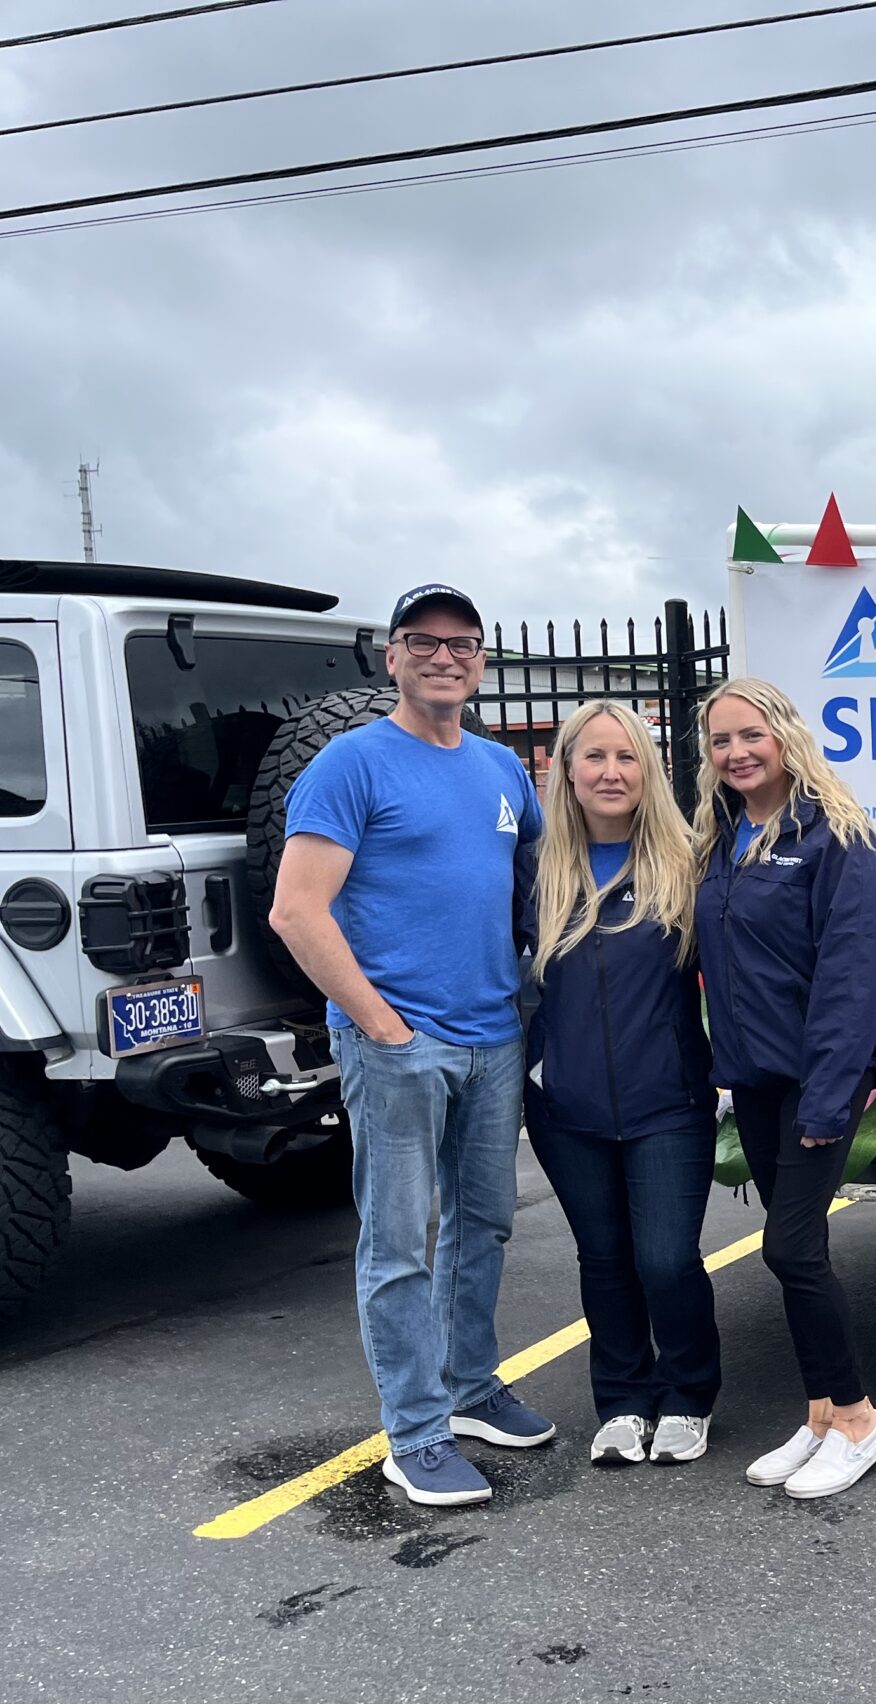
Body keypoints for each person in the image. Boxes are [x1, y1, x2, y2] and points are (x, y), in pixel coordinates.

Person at [270, 583, 555, 1509]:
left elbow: (537, 887)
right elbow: (296, 910)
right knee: (400, 1243)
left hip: (491, 1037)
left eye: (463, 643)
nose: (445, 656)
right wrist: (383, 1026)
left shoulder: (502, 770)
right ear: (390, 657)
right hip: (399, 1045)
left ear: (481, 661)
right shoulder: (349, 766)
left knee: (486, 1223)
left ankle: (470, 1390)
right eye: (423, 641)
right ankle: (415, 1434)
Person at [692, 677, 876, 1500]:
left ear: (785, 737)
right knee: (793, 1250)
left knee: (790, 1249)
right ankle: (818, 1415)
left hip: (822, 1079)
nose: (737, 752)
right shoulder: (722, 837)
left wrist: (827, 1094)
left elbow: (850, 980)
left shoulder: (840, 839)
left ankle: (859, 1418)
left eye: (752, 735)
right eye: (720, 741)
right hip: (759, 1079)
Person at [522, 700, 722, 1468]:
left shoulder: (689, 862)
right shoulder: (534, 872)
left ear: (649, 770)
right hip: (565, 1108)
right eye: (594, 757)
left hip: (668, 1104)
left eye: (627, 757)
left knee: (666, 1259)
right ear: (565, 770)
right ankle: (623, 1399)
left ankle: (688, 1394)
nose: (611, 772)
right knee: (602, 1258)